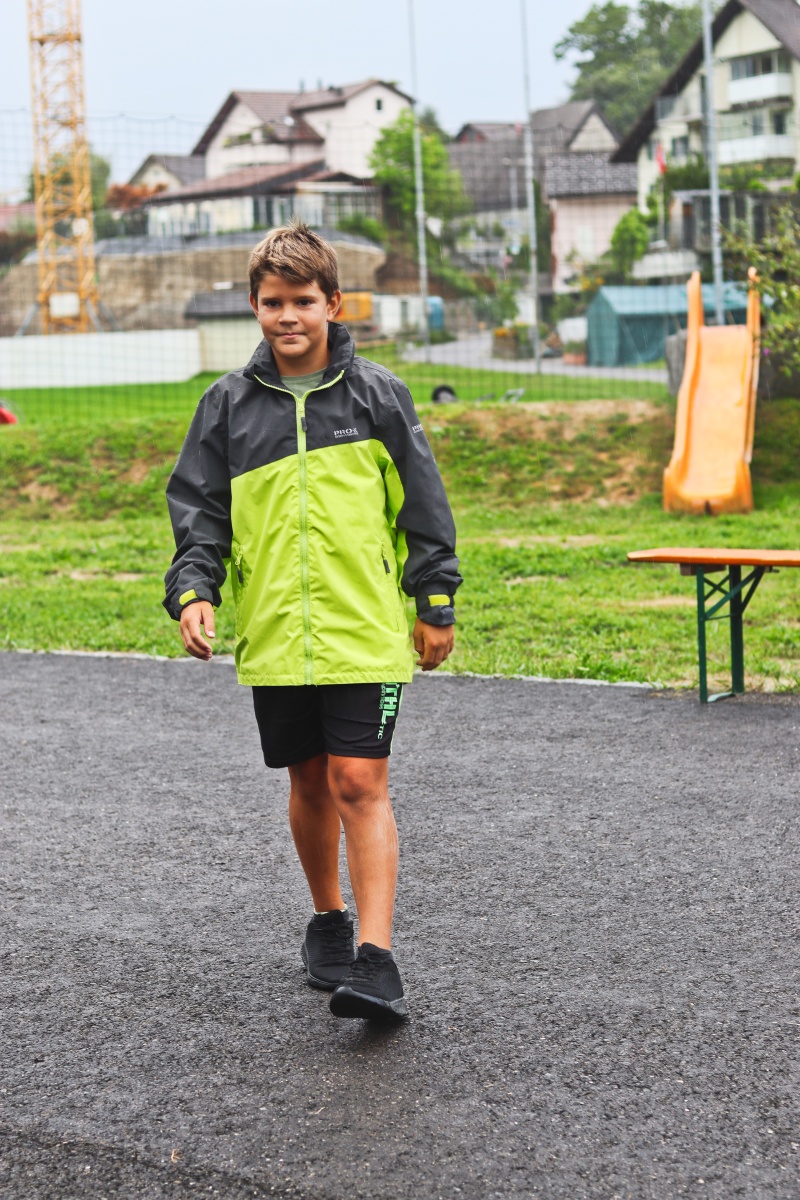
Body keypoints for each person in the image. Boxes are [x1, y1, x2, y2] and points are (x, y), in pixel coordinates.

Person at [163, 222, 461, 1021]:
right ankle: (327, 920)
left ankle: (377, 958)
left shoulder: (379, 396)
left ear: (334, 302)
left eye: (302, 300)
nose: (287, 316)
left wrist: (434, 598)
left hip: (363, 627)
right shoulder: (226, 405)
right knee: (308, 779)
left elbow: (423, 506)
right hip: (275, 633)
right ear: (253, 307)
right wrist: (194, 591)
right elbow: (200, 513)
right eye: (272, 302)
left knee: (359, 779)